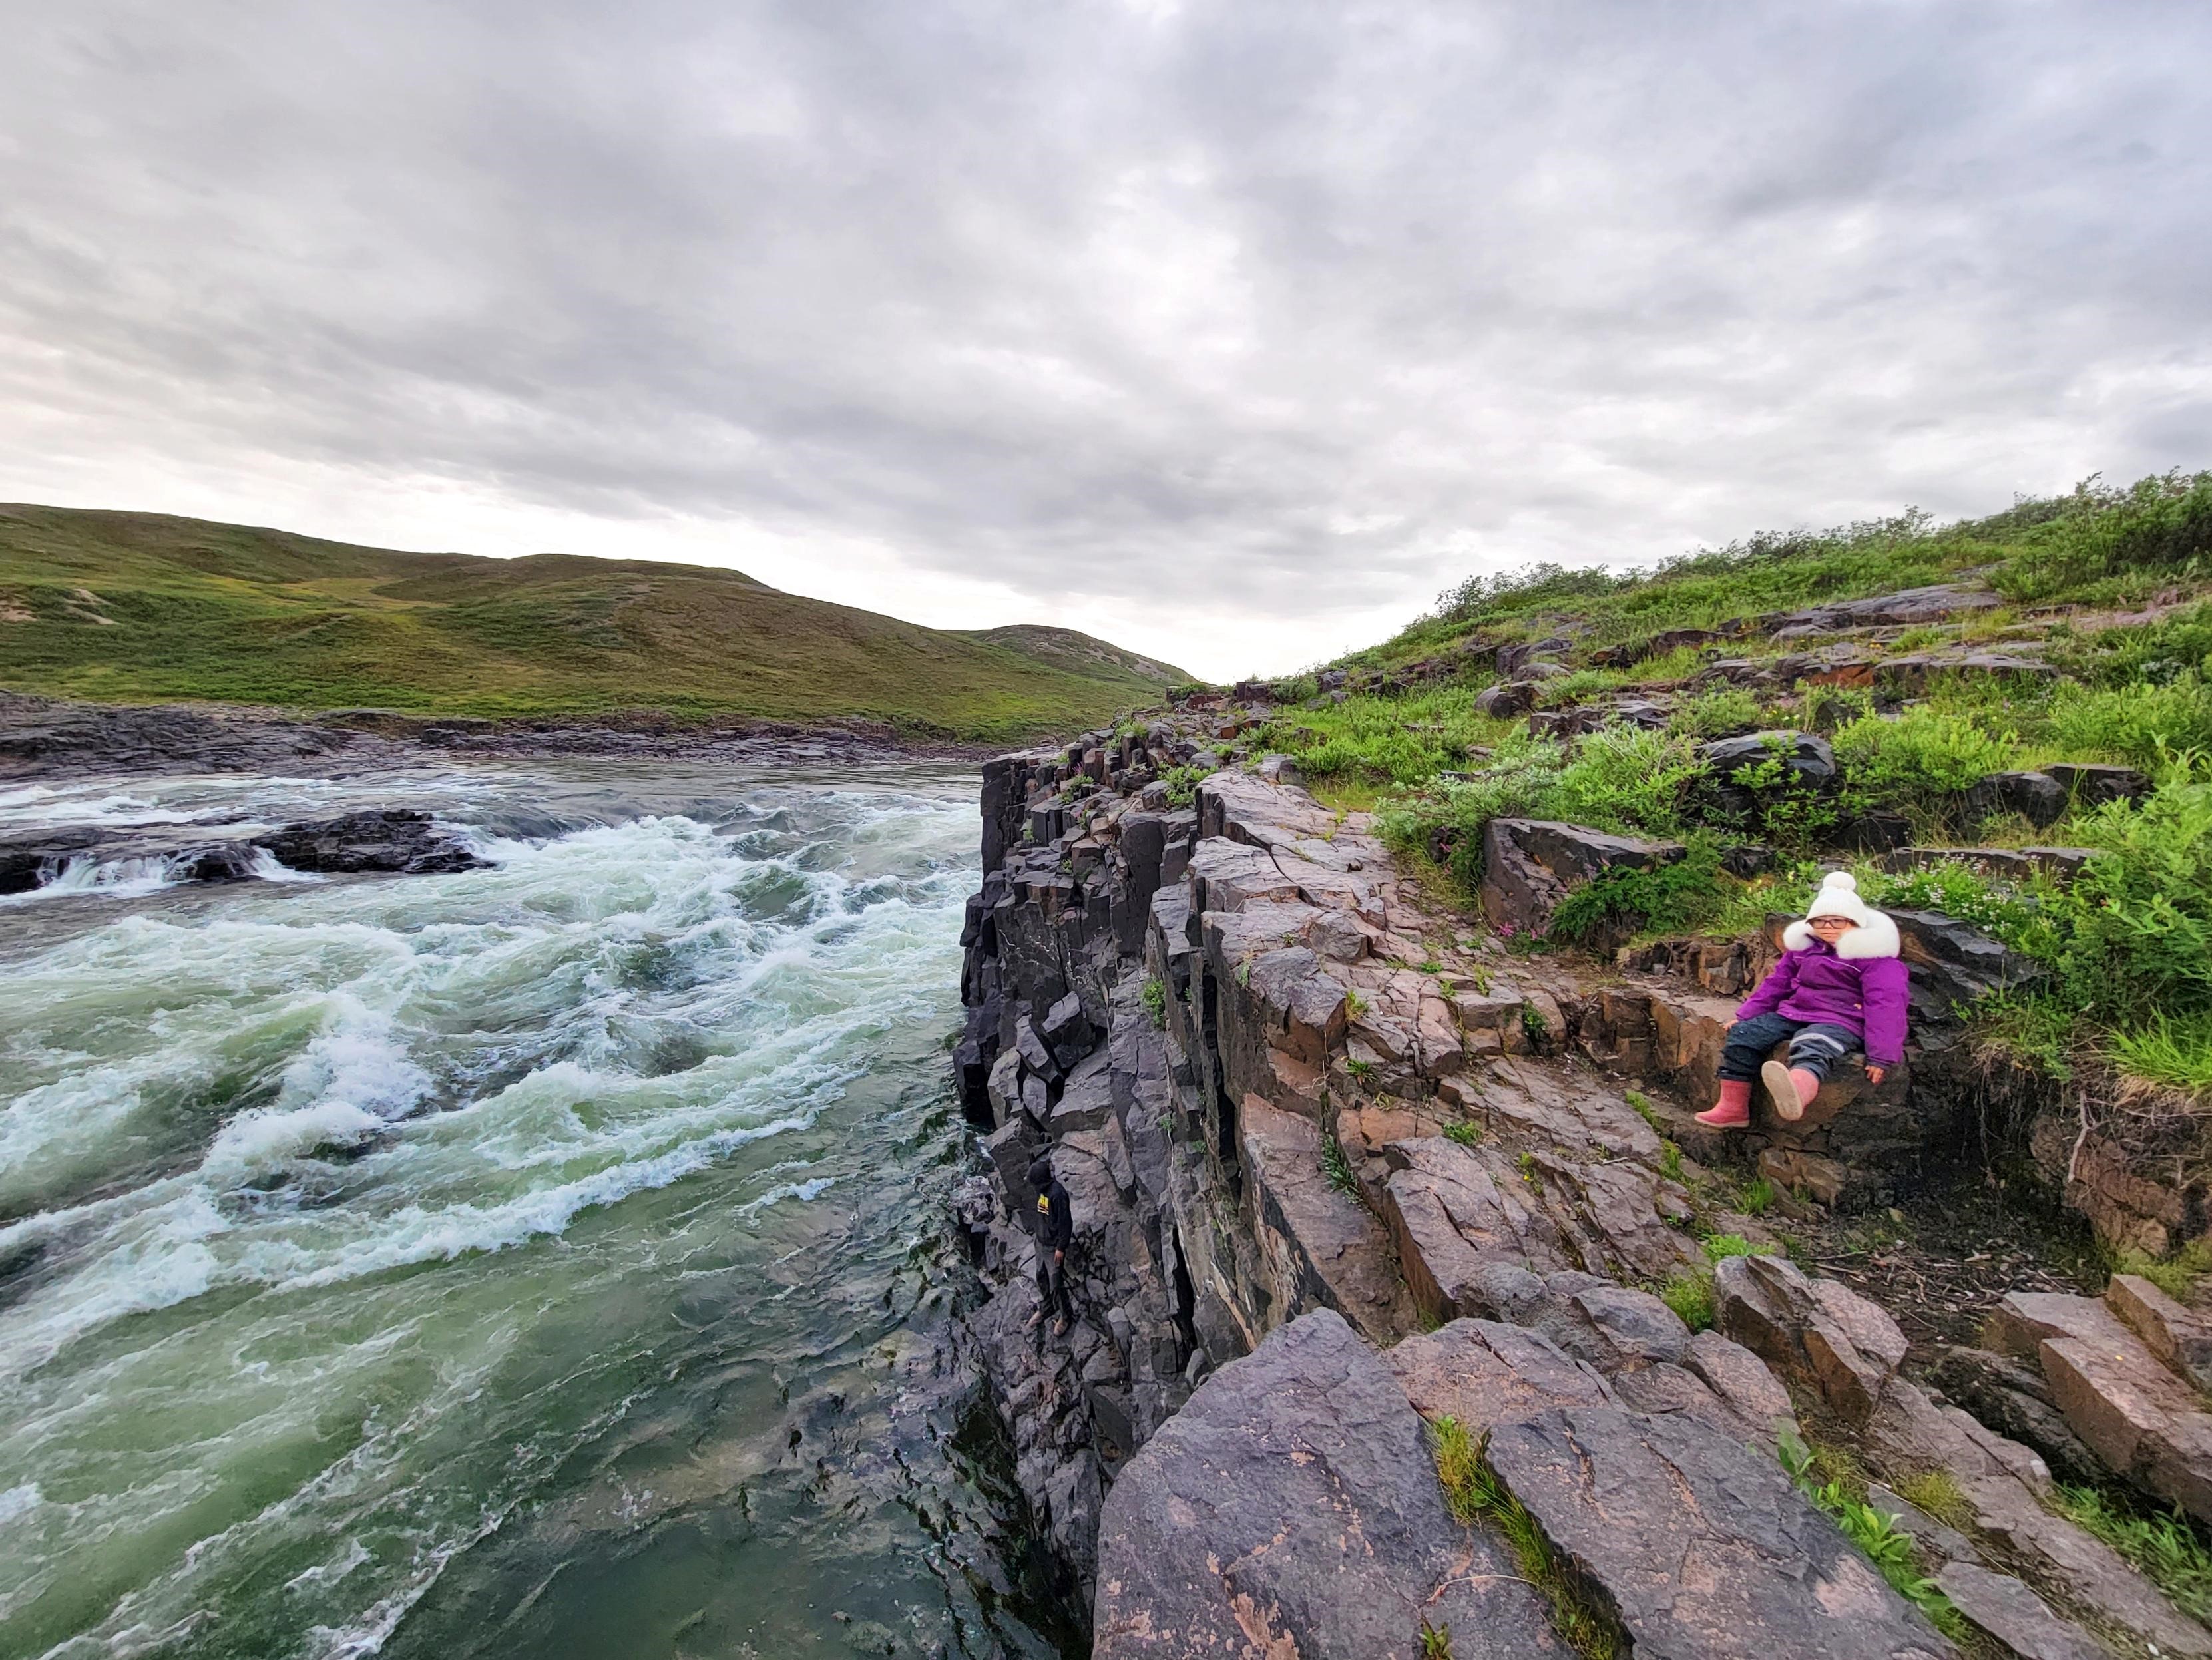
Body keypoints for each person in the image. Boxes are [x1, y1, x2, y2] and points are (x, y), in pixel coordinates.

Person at [1696, 871, 1908, 1128]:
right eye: (1820, 922)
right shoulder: (1804, 949)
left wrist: (1881, 1055)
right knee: (1744, 1035)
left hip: (1841, 1019)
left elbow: (1886, 1004)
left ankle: (1797, 1091)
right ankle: (1733, 1109)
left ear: (1855, 922)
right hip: (1796, 1012)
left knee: (1814, 1044)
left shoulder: (1874, 957)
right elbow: (1777, 983)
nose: (1827, 927)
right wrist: (1746, 1016)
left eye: (1837, 921)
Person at [1025, 1156, 1075, 1335]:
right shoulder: (1042, 1191)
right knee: (1041, 1276)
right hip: (1041, 1242)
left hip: (1053, 1247)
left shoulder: (1057, 1195)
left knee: (1057, 1284)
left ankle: (1065, 1316)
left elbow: (1066, 1223)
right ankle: (1046, 1308)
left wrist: (1061, 1247)